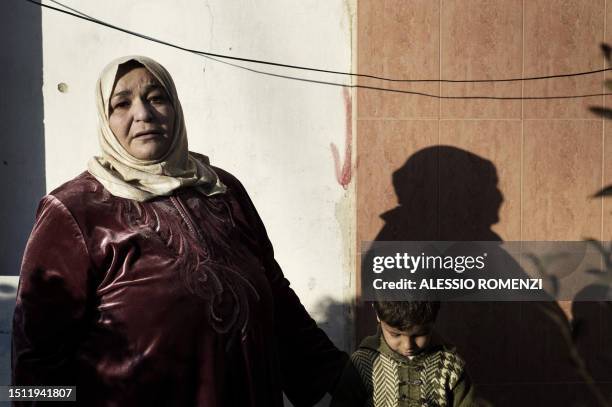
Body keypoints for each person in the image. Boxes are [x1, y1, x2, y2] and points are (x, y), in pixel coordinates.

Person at [12, 55, 347, 406]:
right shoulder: (75, 211)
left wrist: (336, 374)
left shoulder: (221, 189)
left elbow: (275, 296)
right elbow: (35, 355)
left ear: (175, 107)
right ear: (105, 119)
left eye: (157, 97)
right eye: (122, 103)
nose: (144, 114)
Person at [331, 301, 475, 407]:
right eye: (395, 334)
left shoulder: (450, 365)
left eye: (420, 335)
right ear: (377, 315)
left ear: (433, 321)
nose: (408, 346)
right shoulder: (363, 363)